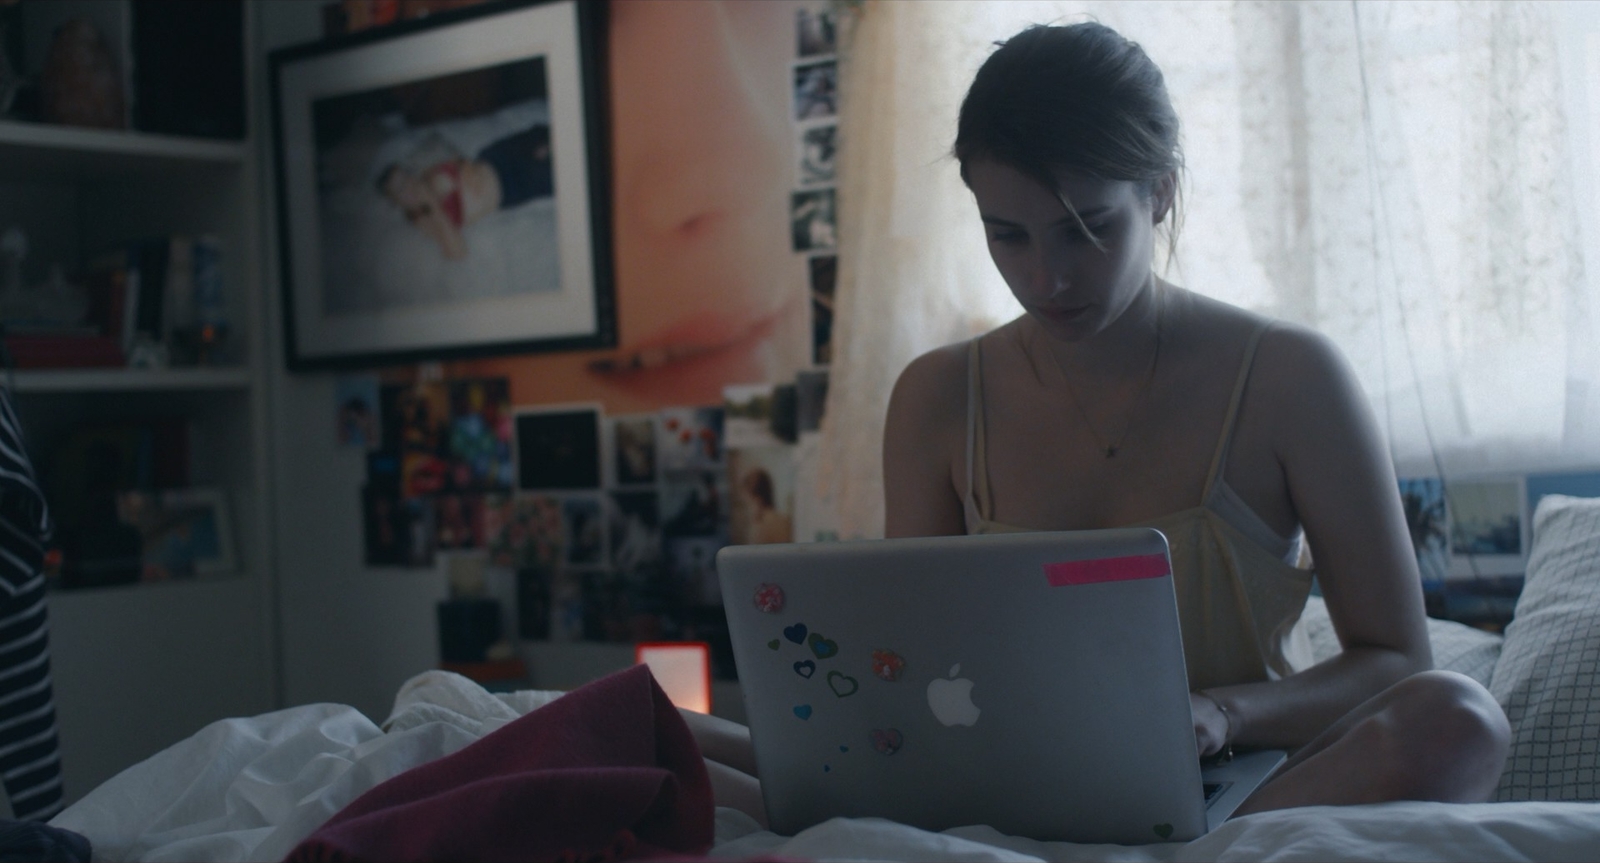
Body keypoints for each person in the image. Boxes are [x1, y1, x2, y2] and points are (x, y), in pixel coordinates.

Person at [682, 20, 1512, 827]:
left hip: (1234, 783)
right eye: (1007, 236)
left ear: (1160, 192)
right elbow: (916, 659)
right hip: (1002, 781)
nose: (1047, 278)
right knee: (658, 730)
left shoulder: (1291, 376)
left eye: (1087, 230)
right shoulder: (939, 396)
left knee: (1460, 720)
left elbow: (1397, 661)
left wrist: (1220, 713)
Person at [377, 125, 554, 261]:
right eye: (401, 189)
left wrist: (464, 165)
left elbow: (452, 156)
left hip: (496, 158)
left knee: (543, 133)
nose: (410, 185)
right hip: (510, 188)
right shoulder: (424, 220)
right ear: (396, 202)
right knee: (556, 172)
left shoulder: (426, 175)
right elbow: (458, 254)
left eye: (407, 177)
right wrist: (432, 203)